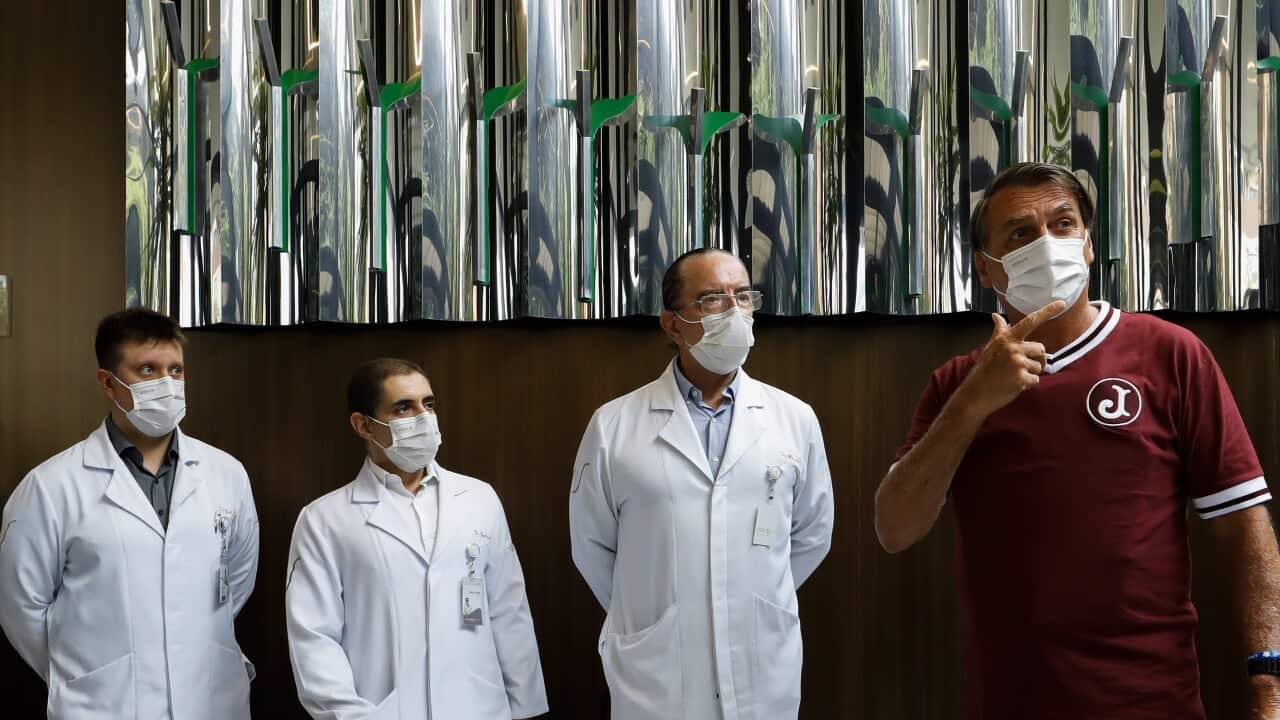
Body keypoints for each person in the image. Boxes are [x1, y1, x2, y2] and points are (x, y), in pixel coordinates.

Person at [875, 162, 1280, 719]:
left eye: (1063, 224)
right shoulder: (955, 384)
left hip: (1156, 704)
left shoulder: (1170, 354)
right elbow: (894, 528)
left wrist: (1268, 687)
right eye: (1020, 233)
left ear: (1088, 246)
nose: (1046, 243)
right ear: (986, 268)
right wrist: (974, 402)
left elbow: (1245, 527)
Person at [570, 248, 835, 720]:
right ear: (672, 324)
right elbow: (591, 546)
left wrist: (746, 595)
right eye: (712, 299)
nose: (734, 311)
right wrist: (659, 610)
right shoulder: (613, 426)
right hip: (658, 669)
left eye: (744, 296)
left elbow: (813, 533)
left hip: (761, 658)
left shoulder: (794, 418)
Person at [0, 308, 260, 718]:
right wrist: (91, 674)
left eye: (176, 370)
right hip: (105, 704)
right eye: (147, 369)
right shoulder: (51, 487)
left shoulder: (226, 474)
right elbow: (22, 608)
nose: (167, 384)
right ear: (108, 382)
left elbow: (236, 581)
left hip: (210, 699)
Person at [286, 358, 547, 719]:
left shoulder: (479, 499)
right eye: (403, 407)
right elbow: (314, 638)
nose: (423, 418)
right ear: (363, 425)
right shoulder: (324, 520)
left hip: (479, 709)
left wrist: (526, 709)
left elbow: (509, 611)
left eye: (429, 404)